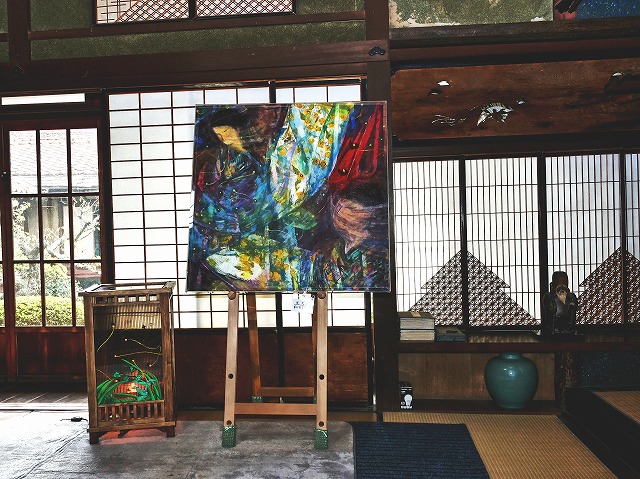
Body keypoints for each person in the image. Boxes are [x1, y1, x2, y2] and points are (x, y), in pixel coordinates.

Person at [541, 271, 578, 335]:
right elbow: (550, 310)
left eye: (564, 281)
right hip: (552, 330)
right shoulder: (548, 296)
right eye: (559, 281)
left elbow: (573, 313)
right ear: (554, 283)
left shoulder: (572, 297)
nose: (562, 284)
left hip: (568, 330)